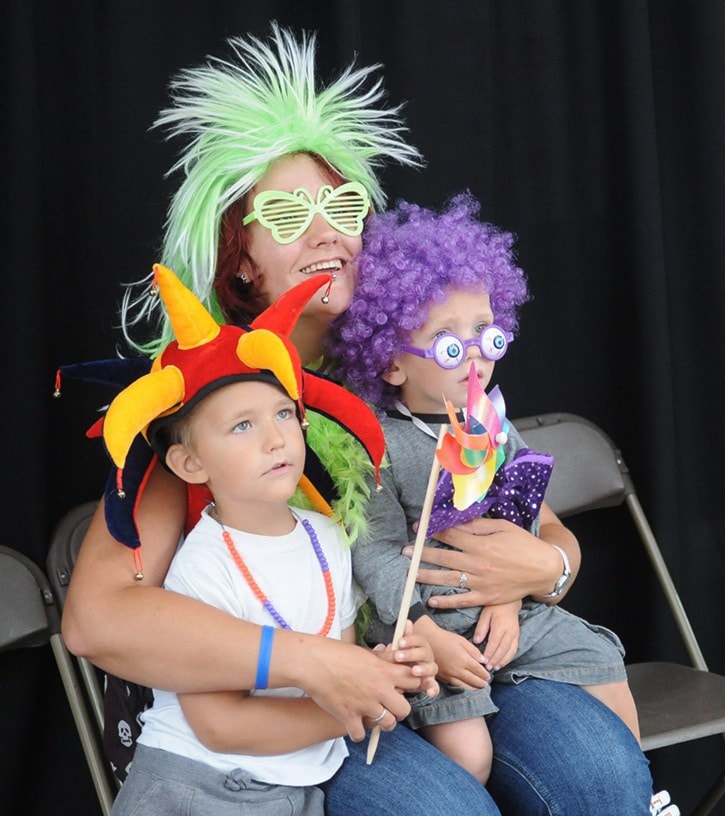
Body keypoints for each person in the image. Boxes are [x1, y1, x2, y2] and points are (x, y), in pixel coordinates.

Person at [62, 26, 657, 816]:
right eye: (286, 212)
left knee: (599, 776)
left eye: (341, 205)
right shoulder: (211, 400)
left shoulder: (406, 366)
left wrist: (543, 572)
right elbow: (97, 619)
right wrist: (312, 662)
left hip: (460, 659)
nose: (326, 232)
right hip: (304, 704)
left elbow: (541, 532)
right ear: (239, 255)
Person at [327, 195, 644, 789]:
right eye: (449, 342)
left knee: (602, 665)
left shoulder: (490, 423)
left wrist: (508, 595)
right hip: (431, 627)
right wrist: (422, 627)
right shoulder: (379, 444)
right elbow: (373, 551)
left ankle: (644, 794)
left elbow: (520, 509)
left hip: (511, 611)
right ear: (391, 362)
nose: (474, 352)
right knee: (468, 755)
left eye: (484, 332)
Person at [103, 264, 436, 815]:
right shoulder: (202, 568)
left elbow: (339, 660)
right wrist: (354, 706)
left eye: (285, 413)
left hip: (297, 779)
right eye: (242, 426)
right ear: (189, 463)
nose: (276, 437)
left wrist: (389, 669)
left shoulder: (328, 536)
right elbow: (219, 725)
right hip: (199, 784)